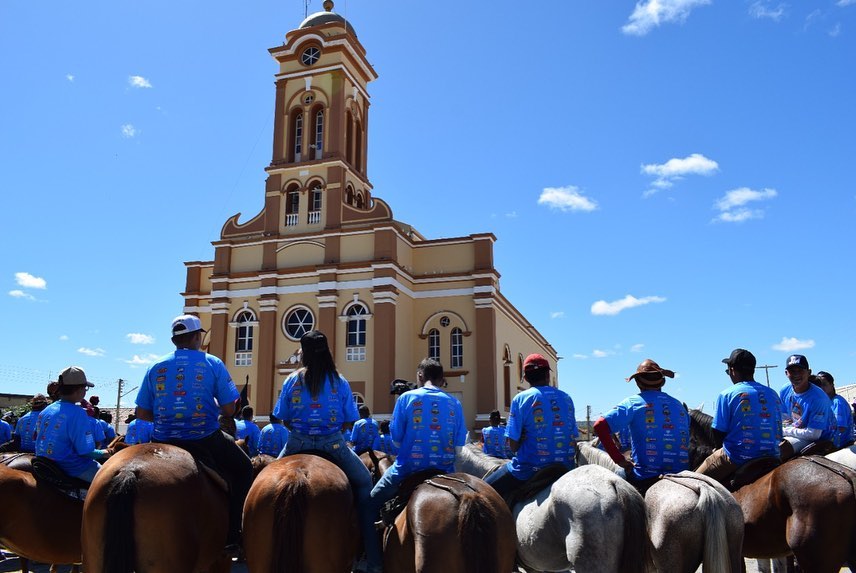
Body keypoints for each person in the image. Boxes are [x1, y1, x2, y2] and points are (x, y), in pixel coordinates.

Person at [136, 314, 253, 553]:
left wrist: (166, 417)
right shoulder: (212, 363)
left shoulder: (155, 366)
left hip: (162, 438)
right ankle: (233, 535)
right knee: (244, 469)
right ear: (198, 337)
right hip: (203, 438)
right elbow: (230, 408)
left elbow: (141, 412)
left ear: (174, 340)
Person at [271, 330, 380, 573]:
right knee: (364, 484)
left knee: (262, 481)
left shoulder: (292, 380)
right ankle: (373, 557)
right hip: (333, 444)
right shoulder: (339, 381)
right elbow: (349, 421)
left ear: (304, 353)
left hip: (296, 443)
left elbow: (282, 417)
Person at [365, 358, 468, 573]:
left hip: (407, 469)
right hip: (445, 472)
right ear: (442, 379)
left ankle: (372, 564)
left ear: (420, 376)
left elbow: (396, 441)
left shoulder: (406, 398)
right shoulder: (454, 403)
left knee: (368, 506)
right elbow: (459, 447)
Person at [485, 354, 577, 499]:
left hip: (528, 470)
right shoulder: (566, 398)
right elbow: (573, 438)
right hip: (566, 467)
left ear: (526, 378)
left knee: (481, 492)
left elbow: (512, 446)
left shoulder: (521, 398)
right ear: (547, 375)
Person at [593, 359, 689, 494]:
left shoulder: (633, 402)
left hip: (645, 476)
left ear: (638, 382)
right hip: (684, 475)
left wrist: (619, 460)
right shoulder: (679, 405)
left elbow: (599, 426)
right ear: (662, 382)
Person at [695, 349, 784, 483]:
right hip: (773, 455)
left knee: (694, 481)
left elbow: (718, 431)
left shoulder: (727, 394)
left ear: (732, 370)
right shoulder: (773, 394)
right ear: (752, 370)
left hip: (738, 457)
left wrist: (718, 448)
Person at [34, 367, 111, 483]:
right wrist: (105, 453)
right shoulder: (78, 413)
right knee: (111, 481)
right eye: (85, 388)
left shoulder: (47, 410)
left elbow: (36, 436)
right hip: (72, 466)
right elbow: (86, 452)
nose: (85, 391)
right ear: (78, 389)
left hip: (43, 461)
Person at [778, 354, 833, 460]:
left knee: (780, 450)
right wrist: (785, 429)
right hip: (798, 432)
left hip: (820, 439)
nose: (796, 374)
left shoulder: (818, 398)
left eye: (800, 370)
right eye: (792, 371)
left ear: (809, 372)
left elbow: (814, 434)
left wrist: (785, 431)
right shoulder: (785, 390)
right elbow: (785, 419)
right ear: (786, 373)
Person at [815, 371, 853, 449]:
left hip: (840, 444)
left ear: (832, 385)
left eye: (824, 384)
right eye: (819, 385)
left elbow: (840, 428)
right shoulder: (824, 402)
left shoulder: (837, 402)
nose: (821, 388)